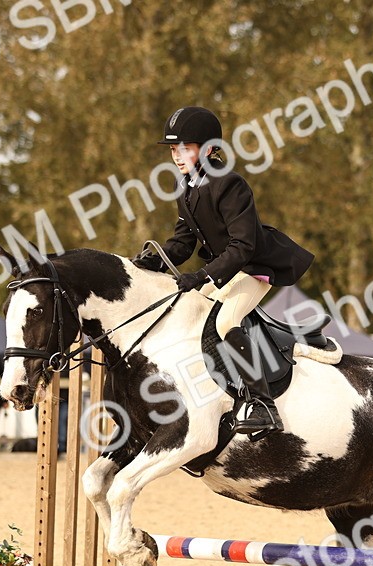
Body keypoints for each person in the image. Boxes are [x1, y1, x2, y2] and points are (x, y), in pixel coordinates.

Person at [133, 106, 314, 438]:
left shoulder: (230, 184)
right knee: (189, 314)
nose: (176, 156)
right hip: (225, 269)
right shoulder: (185, 186)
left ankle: (263, 406)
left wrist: (200, 276)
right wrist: (153, 261)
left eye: (183, 148)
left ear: (208, 148)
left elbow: (242, 246)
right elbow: (183, 241)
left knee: (225, 321)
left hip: (254, 267)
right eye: (173, 150)